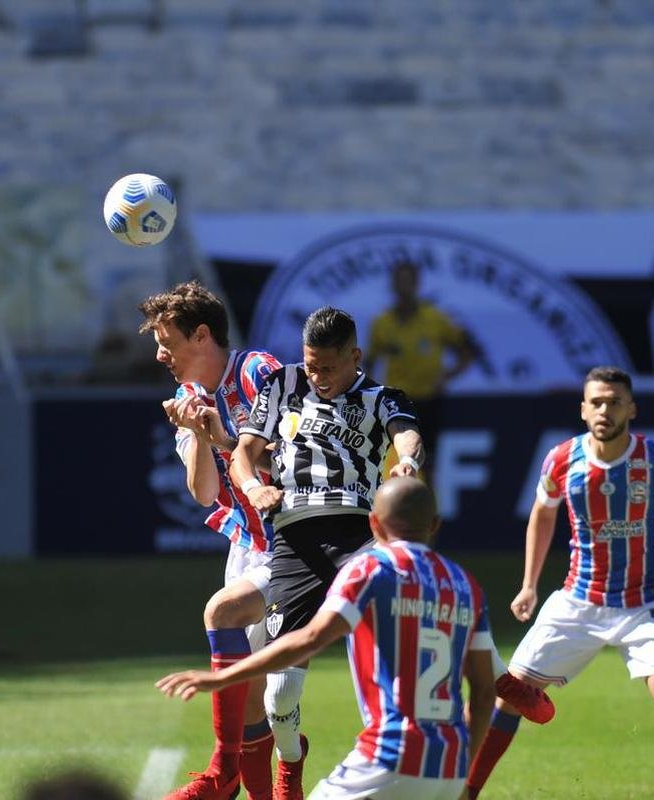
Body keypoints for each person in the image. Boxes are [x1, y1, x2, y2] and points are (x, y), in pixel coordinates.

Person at [226, 307, 553, 800]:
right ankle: (290, 762)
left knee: (422, 592)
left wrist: (410, 463)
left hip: (361, 532)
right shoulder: (281, 384)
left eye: (329, 368)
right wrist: (254, 488)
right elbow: (243, 454)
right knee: (280, 695)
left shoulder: (382, 398)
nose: (318, 377)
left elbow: (408, 437)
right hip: (294, 541)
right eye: (312, 366)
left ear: (355, 356)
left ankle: (504, 680)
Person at [464, 366, 654, 800]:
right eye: (596, 401)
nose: (605, 409)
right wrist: (529, 584)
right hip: (578, 600)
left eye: (614, 401)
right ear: (583, 409)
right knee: (509, 698)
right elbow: (543, 514)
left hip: (644, 603)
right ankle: (465, 795)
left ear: (632, 409)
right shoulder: (562, 459)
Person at [157, 477, 503, 800]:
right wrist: (461, 770)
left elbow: (309, 638)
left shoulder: (371, 569)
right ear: (434, 524)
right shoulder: (465, 585)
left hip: (387, 757)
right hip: (451, 766)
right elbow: (485, 692)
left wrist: (223, 677)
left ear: (374, 524)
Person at [139, 281, 287, 800]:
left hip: (292, 542)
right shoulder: (186, 397)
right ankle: (247, 786)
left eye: (166, 341)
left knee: (227, 624)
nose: (160, 355)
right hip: (247, 543)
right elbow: (203, 494)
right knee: (247, 697)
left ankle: (222, 773)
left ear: (202, 335)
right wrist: (201, 432)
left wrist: (220, 431)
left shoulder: (257, 372)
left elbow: (289, 462)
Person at [364, 260, 474, 484]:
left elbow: (465, 350)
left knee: (428, 461)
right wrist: (372, 392)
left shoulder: (435, 319)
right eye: (399, 281)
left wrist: (448, 375)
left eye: (409, 281)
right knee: (395, 460)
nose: (404, 286)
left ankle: (427, 512)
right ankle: (394, 510)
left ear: (417, 284)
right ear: (393, 285)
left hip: (429, 399)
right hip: (397, 403)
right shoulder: (382, 323)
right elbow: (369, 361)